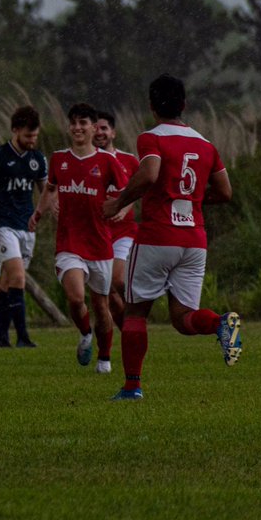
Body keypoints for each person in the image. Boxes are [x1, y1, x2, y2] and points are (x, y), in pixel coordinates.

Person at [102, 75, 238, 401]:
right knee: (183, 319)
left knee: (135, 312)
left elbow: (149, 173)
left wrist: (119, 202)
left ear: (151, 106)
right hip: (194, 241)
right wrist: (192, 201)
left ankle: (132, 387)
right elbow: (225, 192)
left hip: (157, 236)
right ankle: (220, 322)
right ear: (184, 105)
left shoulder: (152, 138)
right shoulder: (206, 144)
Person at [30, 103, 128, 374]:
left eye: (83, 123)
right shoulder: (59, 158)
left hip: (100, 244)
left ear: (94, 127)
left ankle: (104, 358)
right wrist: (40, 211)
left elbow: (125, 192)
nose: (77, 128)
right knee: (75, 297)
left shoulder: (108, 162)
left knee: (101, 304)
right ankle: (85, 333)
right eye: (73, 123)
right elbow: (50, 188)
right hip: (69, 243)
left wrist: (120, 208)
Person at [0, 105, 47, 349]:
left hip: (26, 227)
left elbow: (47, 191)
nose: (32, 141)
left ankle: (0, 337)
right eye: (28, 136)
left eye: (35, 136)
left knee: (7, 283)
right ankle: (23, 337)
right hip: (2, 226)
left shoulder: (38, 159)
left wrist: (46, 210)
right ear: (15, 130)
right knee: (18, 276)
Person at [92, 110, 139, 329]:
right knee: (108, 295)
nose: (99, 132)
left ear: (113, 133)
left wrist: (124, 206)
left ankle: (139, 313)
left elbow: (140, 189)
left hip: (124, 232)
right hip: (97, 233)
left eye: (104, 128)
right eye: (96, 128)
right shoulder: (86, 161)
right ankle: (129, 332)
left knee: (117, 280)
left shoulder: (128, 161)